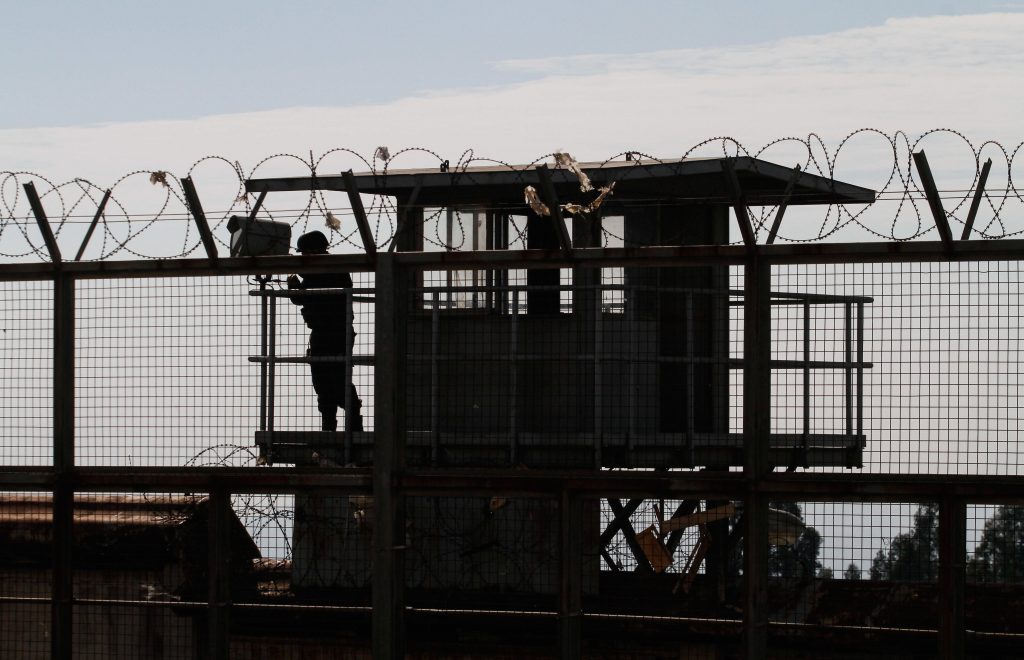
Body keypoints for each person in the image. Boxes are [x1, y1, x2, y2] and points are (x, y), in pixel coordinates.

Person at [287, 230, 363, 432]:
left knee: (334, 379)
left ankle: (343, 425)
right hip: (328, 332)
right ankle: (338, 425)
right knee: (326, 380)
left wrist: (296, 286)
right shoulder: (328, 268)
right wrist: (295, 288)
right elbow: (305, 296)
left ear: (313, 251)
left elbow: (308, 295)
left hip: (333, 332)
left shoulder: (329, 268)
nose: (302, 258)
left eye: (304, 253)